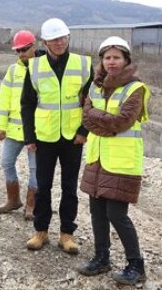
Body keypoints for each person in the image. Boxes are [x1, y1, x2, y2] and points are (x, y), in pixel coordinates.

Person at [77, 36, 150, 285]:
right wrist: (101, 120)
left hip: (121, 161)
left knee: (117, 214)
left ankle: (136, 265)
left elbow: (122, 122)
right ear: (102, 60)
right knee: (97, 212)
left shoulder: (135, 89)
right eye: (107, 57)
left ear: (126, 59)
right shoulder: (95, 86)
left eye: (116, 57)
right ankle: (101, 258)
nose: (111, 62)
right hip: (97, 159)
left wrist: (98, 119)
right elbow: (85, 117)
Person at [21, 18, 93, 254]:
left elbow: (92, 102)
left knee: (69, 187)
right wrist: (29, 137)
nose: (60, 42)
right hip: (44, 137)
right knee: (43, 186)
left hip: (73, 137)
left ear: (68, 38)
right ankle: (41, 231)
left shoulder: (83, 64)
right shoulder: (34, 67)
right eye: (54, 39)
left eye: (63, 38)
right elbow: (27, 104)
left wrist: (84, 131)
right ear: (45, 42)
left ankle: (67, 234)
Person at [0, 30, 38, 220]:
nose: (21, 54)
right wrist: (0, 126)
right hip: (13, 130)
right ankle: (14, 200)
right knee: (6, 162)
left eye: (25, 49)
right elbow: (3, 100)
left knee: (35, 169)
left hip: (36, 132)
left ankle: (32, 205)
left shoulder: (43, 68)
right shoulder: (13, 71)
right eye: (18, 51)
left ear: (34, 47)